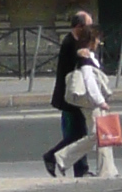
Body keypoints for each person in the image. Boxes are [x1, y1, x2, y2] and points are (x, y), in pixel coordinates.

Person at [47, 27, 118, 180]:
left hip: (94, 100)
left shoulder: (89, 55)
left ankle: (108, 170)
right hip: (91, 102)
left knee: (102, 135)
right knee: (97, 134)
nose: (99, 42)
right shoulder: (84, 57)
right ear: (90, 40)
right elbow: (89, 81)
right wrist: (100, 101)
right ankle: (61, 157)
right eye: (97, 39)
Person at [46, 10, 101, 178]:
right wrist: (84, 54)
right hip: (69, 97)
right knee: (76, 136)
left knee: (79, 135)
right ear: (79, 27)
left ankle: (80, 169)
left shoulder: (78, 41)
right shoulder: (69, 42)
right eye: (88, 26)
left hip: (76, 96)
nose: (90, 29)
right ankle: (52, 157)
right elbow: (78, 61)